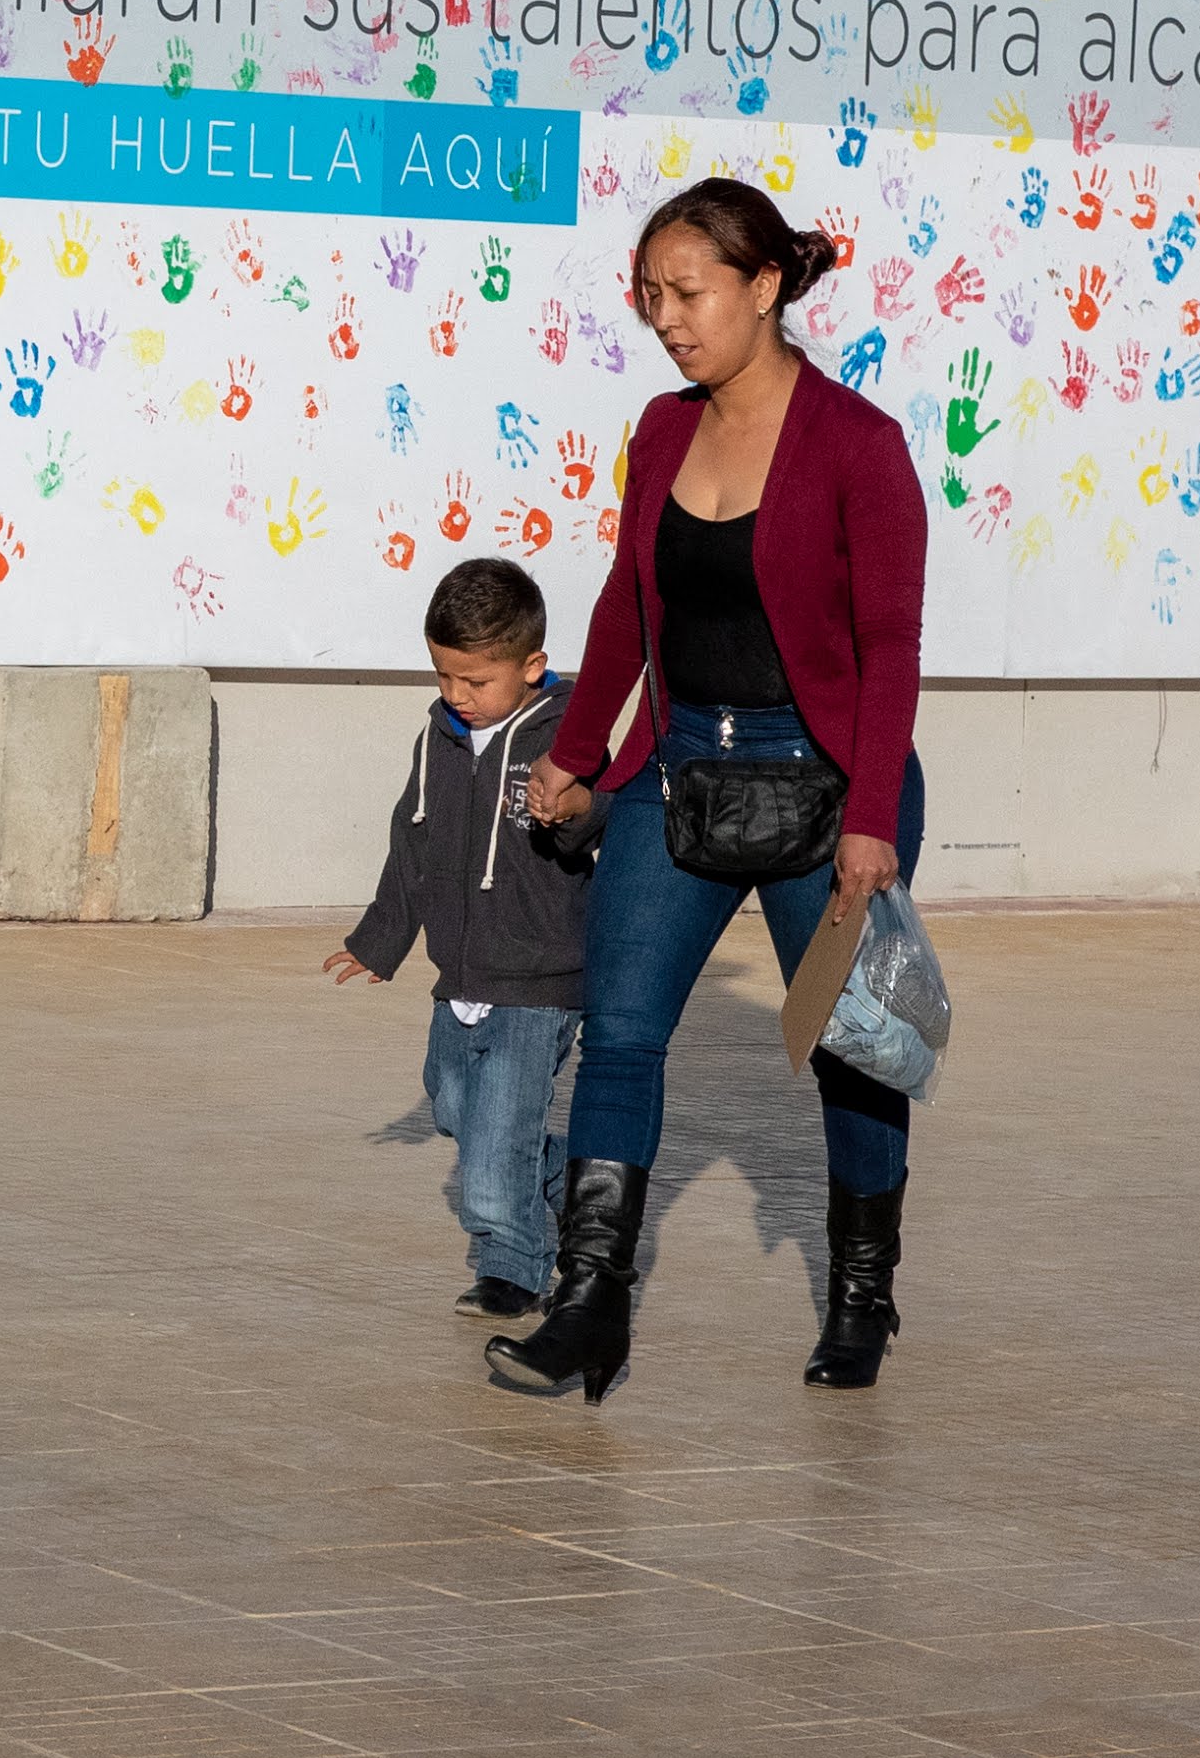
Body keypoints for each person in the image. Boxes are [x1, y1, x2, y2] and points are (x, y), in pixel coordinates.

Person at [496, 177, 930, 1405]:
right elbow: (624, 607)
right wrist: (579, 751)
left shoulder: (858, 444)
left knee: (853, 1051)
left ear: (764, 285)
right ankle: (588, 1306)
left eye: (687, 293)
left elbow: (889, 643)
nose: (668, 319)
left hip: (824, 779)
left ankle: (859, 1293)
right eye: (650, 298)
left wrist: (868, 822)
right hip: (676, 765)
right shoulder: (658, 426)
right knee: (620, 1037)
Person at [325, 557, 604, 1323]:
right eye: (445, 677)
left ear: (531, 665)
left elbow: (606, 811)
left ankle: (512, 1269)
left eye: (476, 682)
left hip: (540, 977)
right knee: (454, 1106)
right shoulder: (440, 739)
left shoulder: (566, 738)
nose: (458, 696)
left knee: (491, 1150)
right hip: (462, 977)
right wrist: (380, 940)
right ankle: (578, 1190)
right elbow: (411, 841)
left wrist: (576, 807)